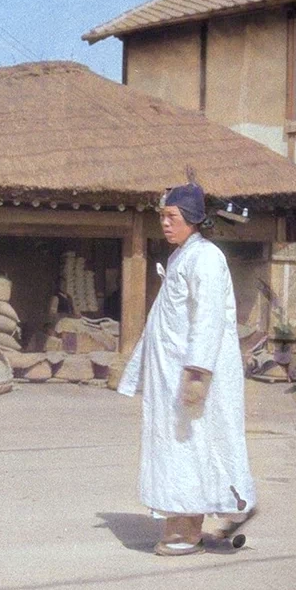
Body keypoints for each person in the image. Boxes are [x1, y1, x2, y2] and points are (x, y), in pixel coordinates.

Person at [117, 182, 256, 556]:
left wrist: (197, 372)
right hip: (171, 376)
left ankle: (186, 531)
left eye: (172, 217)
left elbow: (209, 319)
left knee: (190, 447)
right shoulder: (182, 256)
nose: (165, 223)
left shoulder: (206, 258)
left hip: (195, 377)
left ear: (193, 220)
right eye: (162, 216)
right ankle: (183, 525)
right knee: (179, 447)